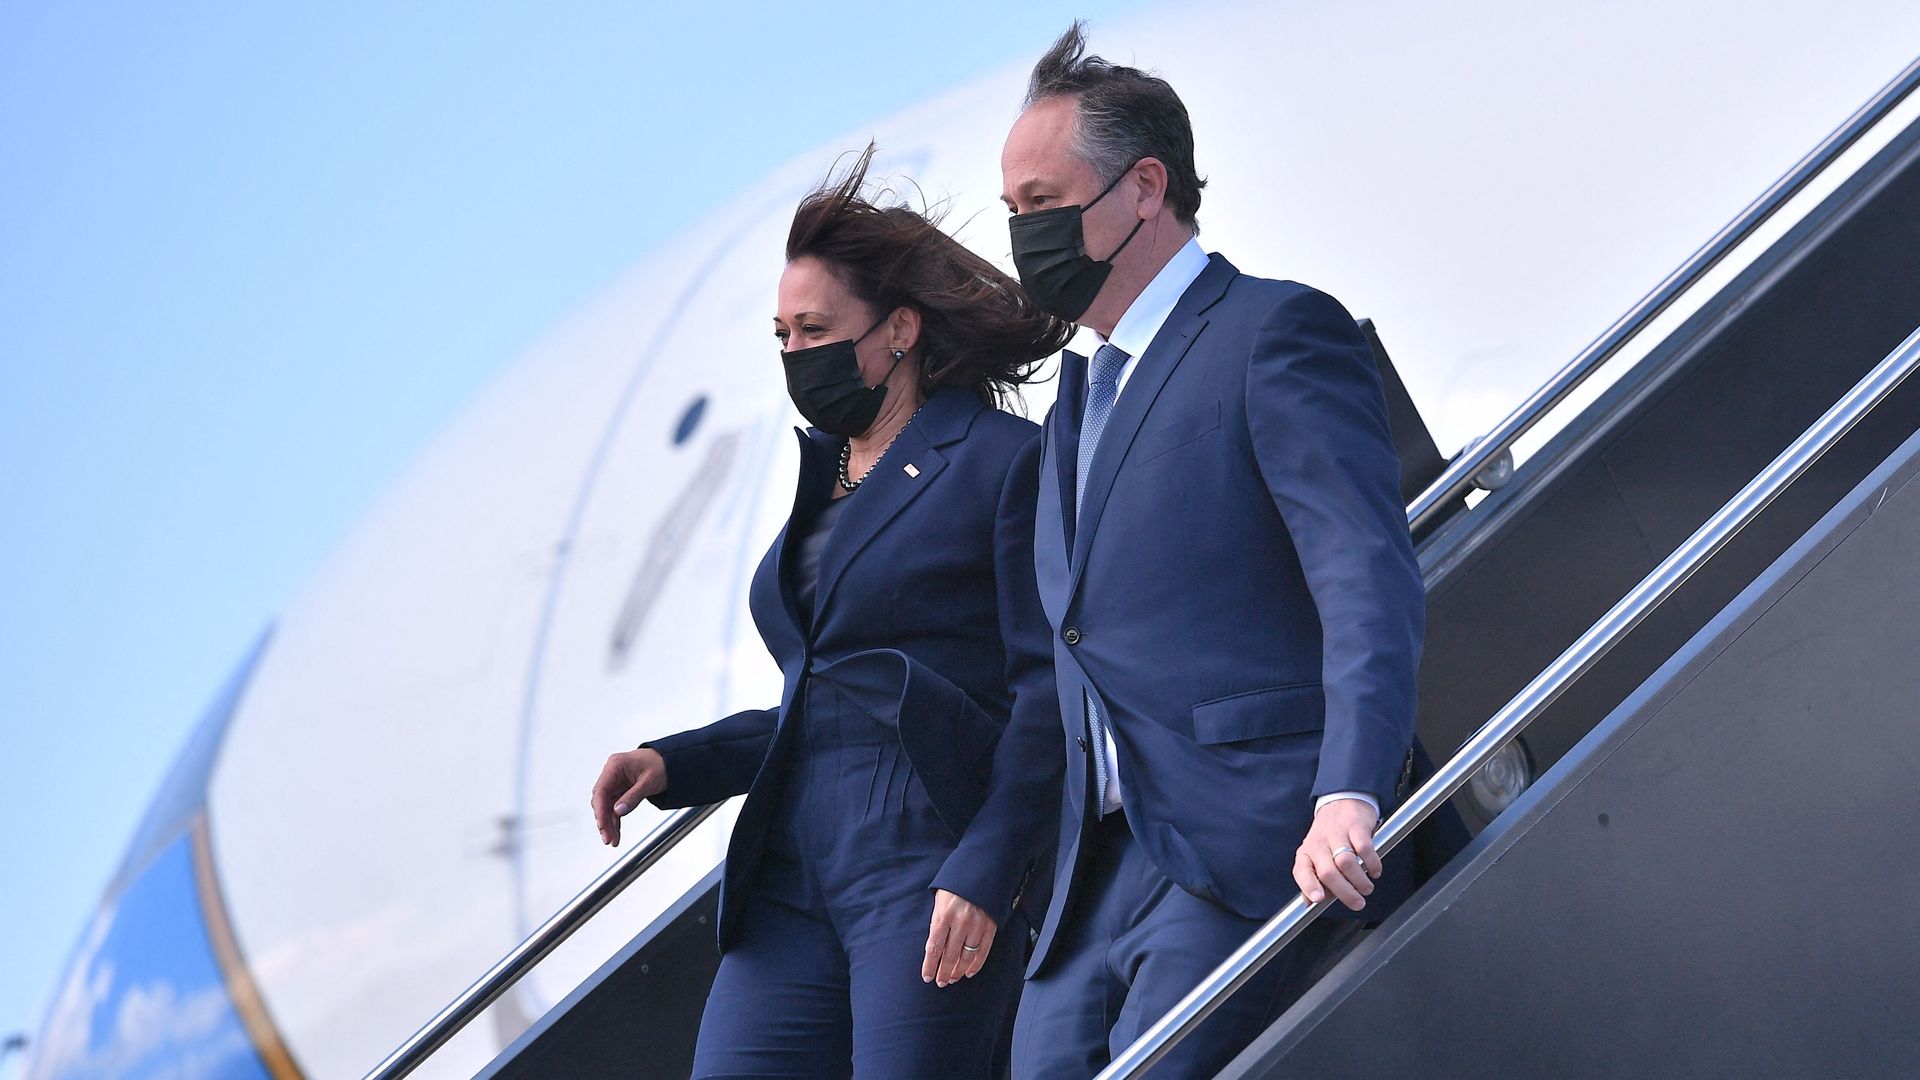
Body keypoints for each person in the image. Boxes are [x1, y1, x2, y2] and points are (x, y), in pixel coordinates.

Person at [997, 23, 1456, 1077]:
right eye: (1013, 212)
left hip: (1249, 840)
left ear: (1145, 188)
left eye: (1041, 204)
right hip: (1096, 883)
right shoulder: (1074, 410)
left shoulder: (1271, 333)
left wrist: (1350, 790)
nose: (1023, 236)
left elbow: (1365, 576)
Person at [588, 148, 1070, 1079]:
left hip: (922, 858)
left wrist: (989, 865)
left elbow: (1045, 686)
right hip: (792, 874)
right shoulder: (824, 479)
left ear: (898, 331)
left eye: (815, 330)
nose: (795, 355)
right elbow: (822, 696)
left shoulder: (999, 458)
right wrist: (674, 760)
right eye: (781, 335)